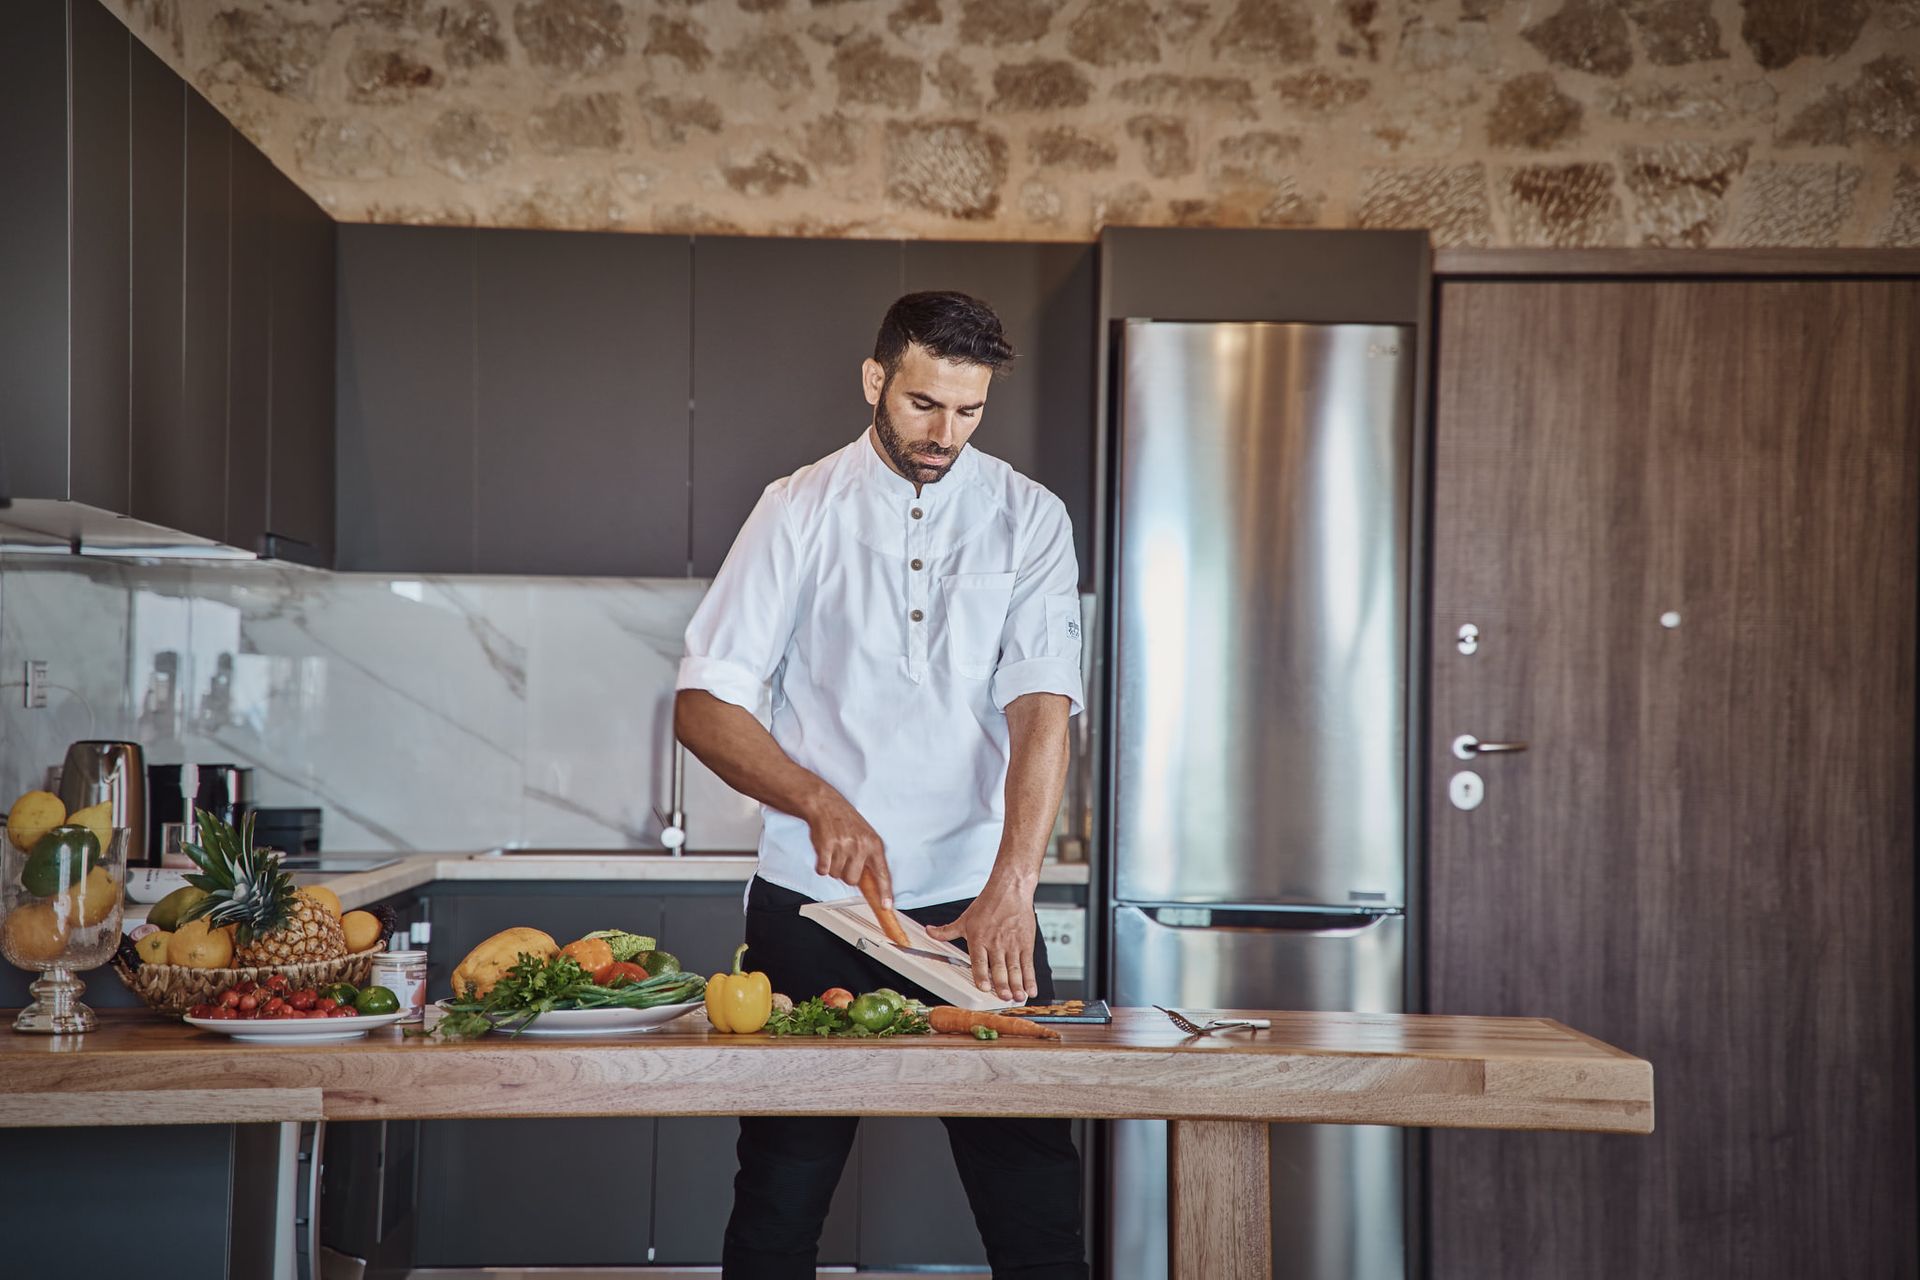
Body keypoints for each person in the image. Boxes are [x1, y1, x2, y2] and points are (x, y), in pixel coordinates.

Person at [674, 290, 1088, 1279]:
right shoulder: (797, 508)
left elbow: (1042, 709)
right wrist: (818, 801)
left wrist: (1014, 885)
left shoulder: (1028, 516)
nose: (945, 433)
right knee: (780, 1195)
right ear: (875, 380)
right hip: (813, 907)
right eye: (923, 404)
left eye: (969, 410)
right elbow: (704, 704)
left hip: (974, 913)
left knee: (1035, 1198)